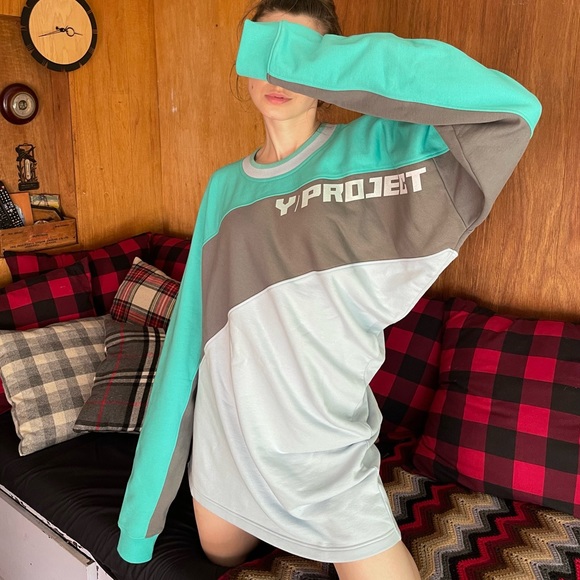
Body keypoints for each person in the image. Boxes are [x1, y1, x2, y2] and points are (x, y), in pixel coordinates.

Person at [117, 1, 541, 578]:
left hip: (325, 451)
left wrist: (312, 62)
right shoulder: (224, 188)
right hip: (228, 448)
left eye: (300, 54)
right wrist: (139, 521)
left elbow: (511, 110)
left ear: (330, 64)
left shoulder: (378, 151)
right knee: (219, 554)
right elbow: (188, 337)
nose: (280, 72)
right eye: (267, 53)